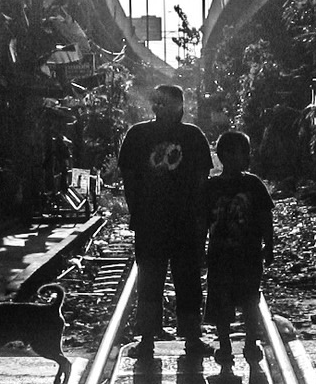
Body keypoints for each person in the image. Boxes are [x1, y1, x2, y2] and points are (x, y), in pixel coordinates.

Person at [117, 84, 215, 358]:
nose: (166, 109)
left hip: (180, 221)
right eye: (161, 103)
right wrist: (135, 210)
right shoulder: (138, 135)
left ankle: (190, 337)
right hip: (154, 221)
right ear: (154, 106)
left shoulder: (192, 136)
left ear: (181, 106)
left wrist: (200, 220)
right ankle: (149, 338)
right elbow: (129, 178)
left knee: (186, 280)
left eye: (171, 104)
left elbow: (201, 182)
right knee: (152, 281)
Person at [203, 130, 276, 368]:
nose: (246, 156)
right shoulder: (211, 187)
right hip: (220, 255)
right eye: (242, 152)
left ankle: (250, 342)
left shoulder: (253, 184)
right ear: (225, 155)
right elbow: (202, 220)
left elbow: (266, 217)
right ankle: (225, 345)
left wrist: (269, 245)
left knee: (249, 301)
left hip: (248, 255)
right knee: (222, 302)